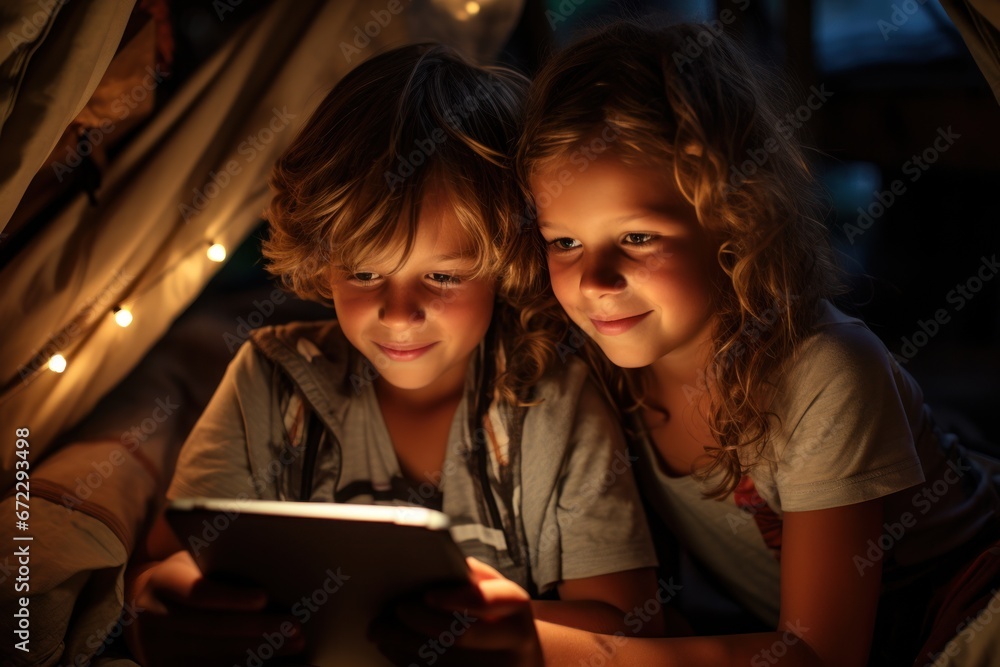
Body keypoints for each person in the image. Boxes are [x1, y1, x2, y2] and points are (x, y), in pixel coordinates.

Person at [372, 20, 1000, 667]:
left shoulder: (825, 372)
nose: (595, 279)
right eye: (564, 241)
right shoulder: (596, 366)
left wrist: (543, 643)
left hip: (972, 607)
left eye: (639, 236)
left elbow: (820, 653)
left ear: (734, 216)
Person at [123, 43, 662, 667]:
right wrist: (155, 604)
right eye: (365, 273)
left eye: (443, 277)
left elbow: (629, 627)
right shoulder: (271, 380)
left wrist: (511, 637)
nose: (400, 314)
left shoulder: (550, 399)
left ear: (506, 264)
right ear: (323, 262)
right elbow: (162, 567)